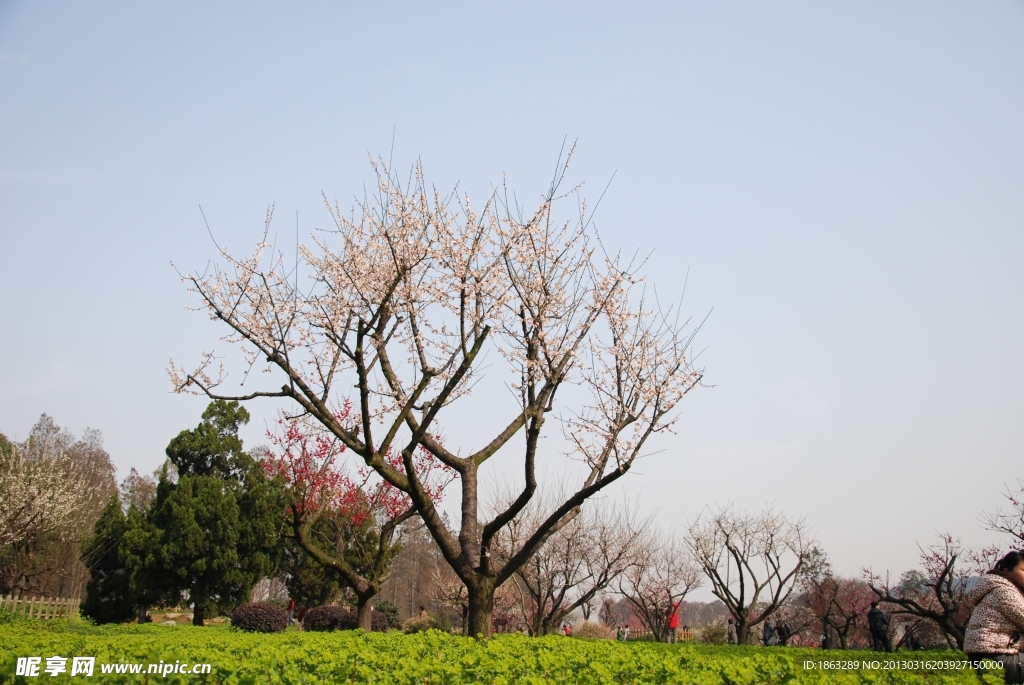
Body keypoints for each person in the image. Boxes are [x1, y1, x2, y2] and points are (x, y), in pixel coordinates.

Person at [964, 550, 1024, 684]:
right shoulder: (1004, 591)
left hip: (986, 657)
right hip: (996, 658)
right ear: (1008, 571)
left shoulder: (999, 587)